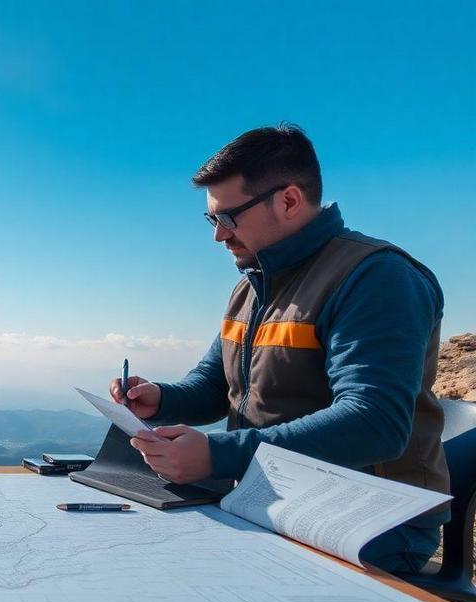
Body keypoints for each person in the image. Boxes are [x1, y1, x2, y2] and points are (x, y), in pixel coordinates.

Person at [111, 124, 448, 573]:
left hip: (368, 515)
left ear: (289, 200)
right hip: (266, 494)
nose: (218, 236)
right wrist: (162, 399)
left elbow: (375, 423)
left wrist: (219, 454)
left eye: (227, 218)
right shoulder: (252, 286)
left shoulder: (376, 277)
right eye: (211, 220)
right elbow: (215, 385)